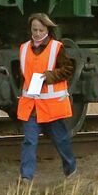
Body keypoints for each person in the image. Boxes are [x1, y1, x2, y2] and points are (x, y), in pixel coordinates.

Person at [15, 12, 77, 183]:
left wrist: (48, 76)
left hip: (51, 107)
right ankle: (26, 177)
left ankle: (71, 170)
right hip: (31, 106)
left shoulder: (57, 48)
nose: (36, 33)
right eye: (34, 30)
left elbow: (68, 70)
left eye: (40, 30)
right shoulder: (24, 48)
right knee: (29, 141)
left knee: (61, 140)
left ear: (47, 30)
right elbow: (22, 76)